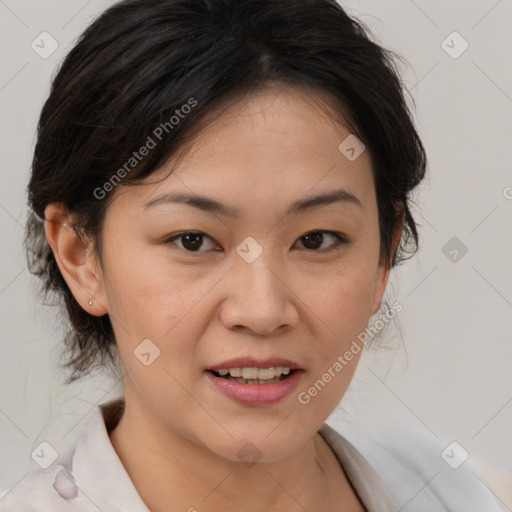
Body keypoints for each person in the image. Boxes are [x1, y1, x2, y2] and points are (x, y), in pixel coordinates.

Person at [0, 0, 504, 510]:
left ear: (383, 254)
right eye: (192, 240)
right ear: (81, 256)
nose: (262, 311)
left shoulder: (466, 494)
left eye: (316, 239)